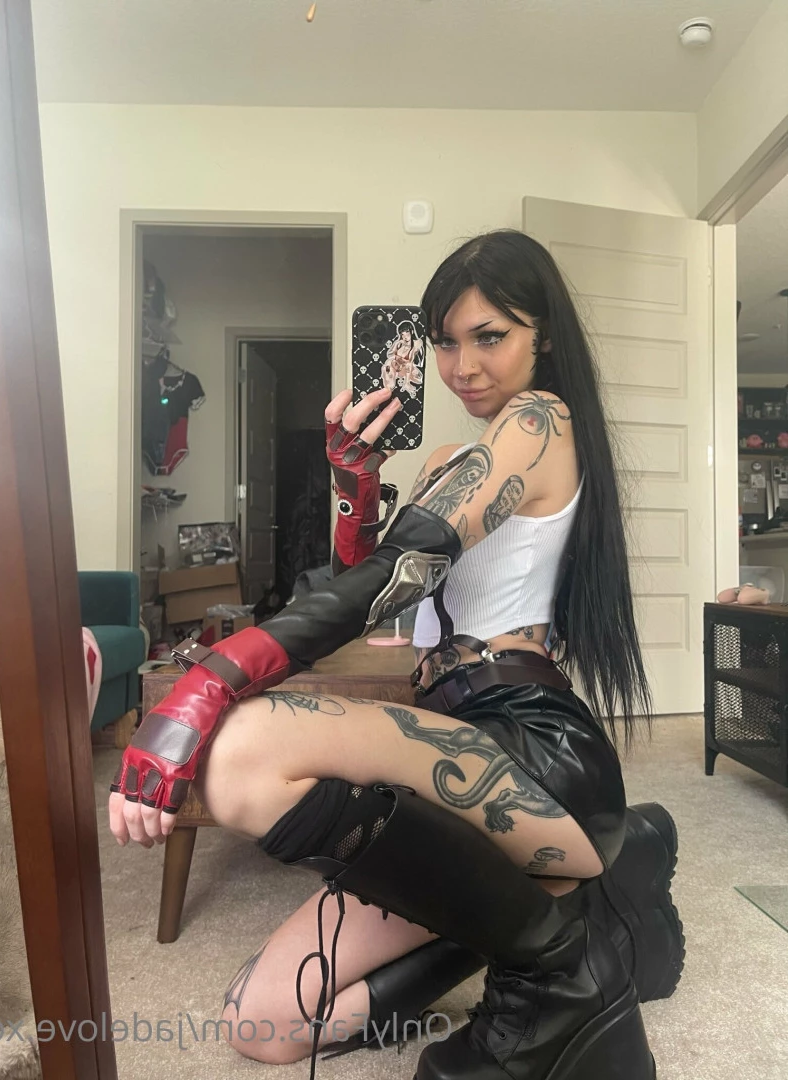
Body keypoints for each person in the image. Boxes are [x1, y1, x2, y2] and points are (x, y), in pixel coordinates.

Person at [109, 230, 685, 1080]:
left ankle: (560, 972)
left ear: (544, 338)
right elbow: (384, 594)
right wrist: (356, 485)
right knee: (264, 1025)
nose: (462, 366)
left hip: (532, 748)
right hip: (450, 736)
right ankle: (568, 910)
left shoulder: (541, 420)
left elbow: (395, 569)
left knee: (234, 754)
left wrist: (207, 681)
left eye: (490, 336)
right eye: (445, 342)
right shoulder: (453, 462)